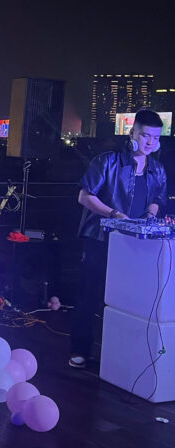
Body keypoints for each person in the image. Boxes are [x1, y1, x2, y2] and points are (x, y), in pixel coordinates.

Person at [69, 109, 168, 369]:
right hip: (100, 239)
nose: (150, 142)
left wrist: (150, 215)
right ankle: (80, 350)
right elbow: (84, 196)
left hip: (135, 244)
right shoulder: (108, 161)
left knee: (130, 299)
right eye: (145, 136)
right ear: (132, 133)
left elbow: (159, 198)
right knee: (90, 294)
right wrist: (114, 214)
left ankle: (120, 355)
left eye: (156, 138)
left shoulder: (157, 169)